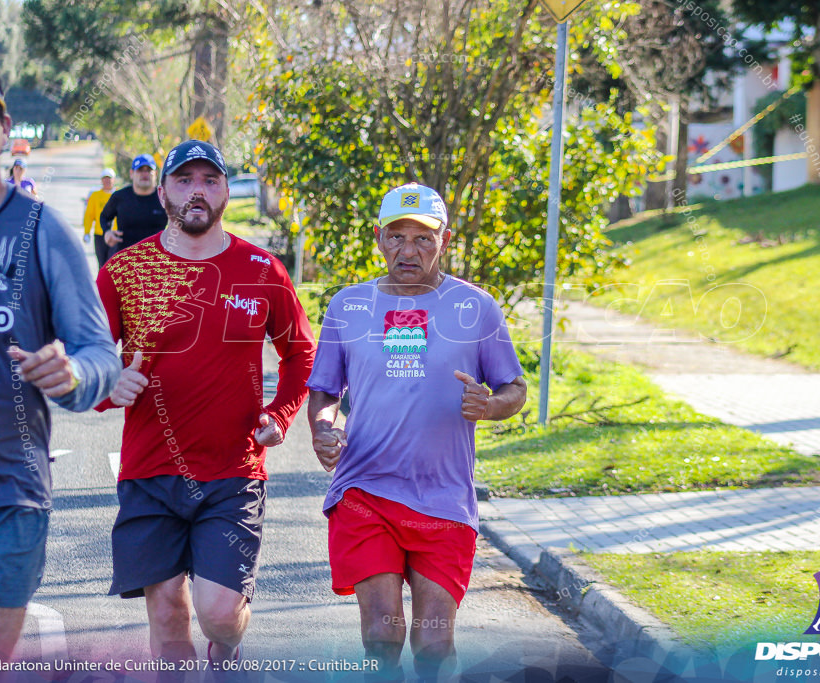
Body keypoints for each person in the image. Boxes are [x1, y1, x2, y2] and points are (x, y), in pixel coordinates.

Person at [0, 46, 120, 678]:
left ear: (5, 128)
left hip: (5, 498)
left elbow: (100, 357)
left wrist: (74, 376)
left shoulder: (40, 230)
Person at [96, 140, 316, 666]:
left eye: (210, 181)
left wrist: (280, 414)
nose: (198, 191)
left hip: (233, 471)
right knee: (169, 615)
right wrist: (110, 384)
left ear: (223, 192)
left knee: (219, 614)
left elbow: (302, 354)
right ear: (164, 190)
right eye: (185, 180)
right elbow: (89, 358)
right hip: (150, 472)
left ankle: (229, 649)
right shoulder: (125, 272)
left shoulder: (261, 270)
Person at [306, 183, 527, 680]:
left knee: (433, 641)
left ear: (444, 240)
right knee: (382, 634)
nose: (409, 250)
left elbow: (515, 387)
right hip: (366, 490)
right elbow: (323, 390)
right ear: (379, 240)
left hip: (444, 497)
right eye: (397, 236)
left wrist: (490, 406)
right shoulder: (349, 307)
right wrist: (324, 428)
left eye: (423, 238)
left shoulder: (477, 308)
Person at [100, 153, 166, 259]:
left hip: (157, 261)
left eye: (148, 170)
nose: (145, 174)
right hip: (125, 260)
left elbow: (180, 222)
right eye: (140, 170)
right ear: (131, 173)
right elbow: (104, 216)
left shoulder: (165, 198)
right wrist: (107, 232)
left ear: (156, 173)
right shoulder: (120, 197)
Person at [83, 167, 116, 268]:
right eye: (105, 178)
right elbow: (89, 215)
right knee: (102, 264)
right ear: (101, 180)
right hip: (100, 234)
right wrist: (87, 232)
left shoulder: (119, 195)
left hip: (116, 235)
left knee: (113, 263)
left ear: (114, 180)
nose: (107, 181)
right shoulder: (95, 196)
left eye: (109, 178)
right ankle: (101, 283)